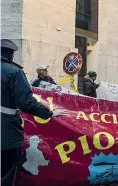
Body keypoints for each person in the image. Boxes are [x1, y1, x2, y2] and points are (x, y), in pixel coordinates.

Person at [1, 39, 66, 186]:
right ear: (11, 55)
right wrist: (48, 113)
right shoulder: (14, 72)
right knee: (6, 172)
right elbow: (26, 102)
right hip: (5, 132)